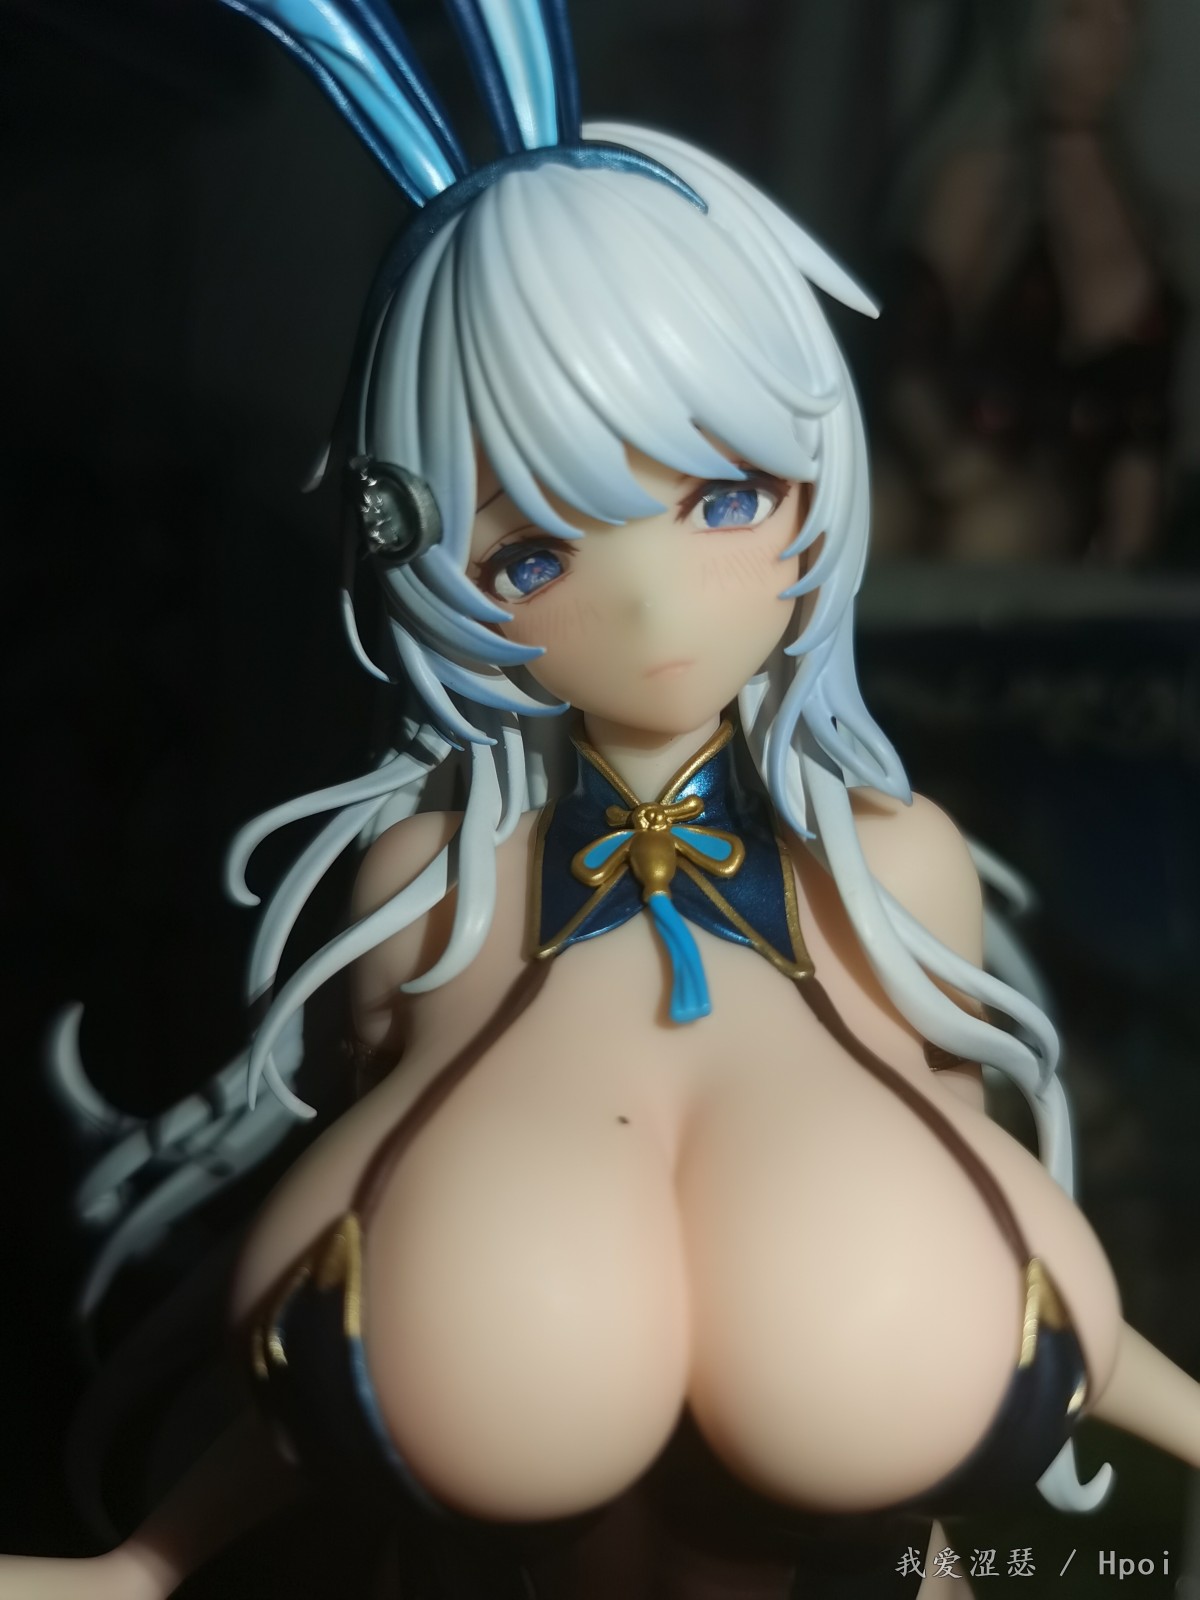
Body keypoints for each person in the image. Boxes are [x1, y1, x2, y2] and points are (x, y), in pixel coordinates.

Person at [4, 2, 1199, 1597]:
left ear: (815, 463)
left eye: (722, 496)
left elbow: (1010, 1237)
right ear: (423, 554)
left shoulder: (887, 869)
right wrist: (148, 1566)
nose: (647, 601)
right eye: (533, 553)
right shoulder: (435, 884)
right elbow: (314, 1314)